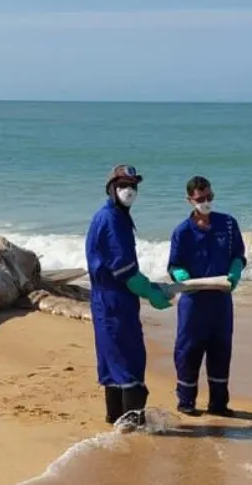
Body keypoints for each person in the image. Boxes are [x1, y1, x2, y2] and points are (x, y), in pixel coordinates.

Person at [85, 164, 172, 428]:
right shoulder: (112, 220)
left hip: (110, 298)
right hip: (114, 298)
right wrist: (150, 292)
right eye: (123, 185)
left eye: (133, 185)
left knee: (113, 360)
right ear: (112, 189)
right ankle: (131, 426)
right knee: (128, 359)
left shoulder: (117, 215)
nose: (129, 190)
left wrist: (145, 285)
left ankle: (115, 418)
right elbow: (124, 271)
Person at [166, 175, 246, 417]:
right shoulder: (182, 232)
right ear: (189, 199)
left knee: (221, 349)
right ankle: (186, 401)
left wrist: (235, 271)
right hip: (194, 301)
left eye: (210, 196)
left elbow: (239, 255)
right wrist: (180, 275)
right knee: (188, 350)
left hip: (221, 300)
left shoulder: (228, 225)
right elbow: (173, 265)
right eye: (201, 198)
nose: (206, 202)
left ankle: (218, 403)